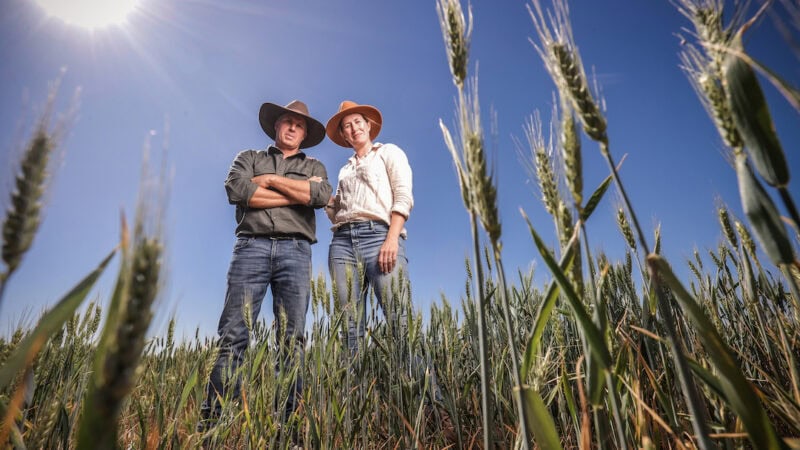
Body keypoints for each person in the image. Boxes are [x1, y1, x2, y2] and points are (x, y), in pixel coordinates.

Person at [199, 100, 332, 436]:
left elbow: (320, 196)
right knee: (233, 336)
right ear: (276, 126)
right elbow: (238, 190)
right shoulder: (248, 158)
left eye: (299, 125)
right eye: (287, 122)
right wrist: (295, 195)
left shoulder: (315, 164)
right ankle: (212, 428)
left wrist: (270, 181)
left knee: (292, 341)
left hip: (296, 251)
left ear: (304, 134)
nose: (292, 128)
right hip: (251, 248)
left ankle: (289, 432)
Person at [324, 100, 413, 355]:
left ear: (368, 125)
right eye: (346, 126)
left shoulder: (389, 152)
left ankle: (429, 395)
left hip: (379, 237)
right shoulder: (344, 170)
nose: (353, 129)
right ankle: (357, 394)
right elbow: (339, 213)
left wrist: (392, 238)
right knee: (349, 327)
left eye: (357, 123)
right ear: (343, 135)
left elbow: (403, 196)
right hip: (342, 244)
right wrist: (322, 197)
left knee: (401, 321)